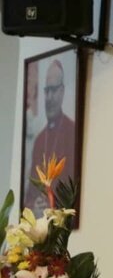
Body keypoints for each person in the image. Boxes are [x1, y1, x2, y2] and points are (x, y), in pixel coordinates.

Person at [26, 59, 76, 215]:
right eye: (47, 91)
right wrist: (35, 205)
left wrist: (53, 204)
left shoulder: (71, 131)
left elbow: (75, 190)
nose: (49, 97)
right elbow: (29, 196)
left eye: (53, 90)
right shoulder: (40, 140)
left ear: (62, 91)